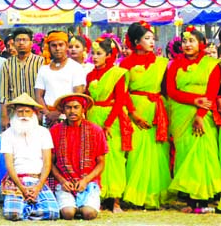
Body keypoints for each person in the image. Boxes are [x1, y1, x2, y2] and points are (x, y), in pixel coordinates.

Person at [165, 26, 221, 212]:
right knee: (185, 154)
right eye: (185, 41)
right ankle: (189, 200)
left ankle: (203, 199)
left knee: (203, 156)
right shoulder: (174, 65)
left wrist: (200, 115)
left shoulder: (211, 64)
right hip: (181, 114)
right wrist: (193, 99)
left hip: (203, 115)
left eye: (192, 41)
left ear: (201, 43)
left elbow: (211, 93)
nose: (187, 44)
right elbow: (172, 91)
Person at [120, 21, 171, 210]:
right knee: (137, 151)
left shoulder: (162, 63)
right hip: (135, 108)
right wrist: (133, 115)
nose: (152, 42)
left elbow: (166, 89)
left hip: (157, 110)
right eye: (147, 38)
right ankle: (136, 196)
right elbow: (122, 91)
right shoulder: (125, 63)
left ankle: (155, 195)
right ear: (136, 41)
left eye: (153, 38)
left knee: (158, 152)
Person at [85, 37, 133, 213]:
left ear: (108, 55)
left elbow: (120, 100)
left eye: (99, 54)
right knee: (95, 156)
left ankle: (116, 200)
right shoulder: (90, 75)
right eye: (93, 53)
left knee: (113, 158)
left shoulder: (117, 74)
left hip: (111, 118)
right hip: (92, 117)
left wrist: (108, 123)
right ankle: (101, 196)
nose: (95, 57)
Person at [0, 93, 59, 221]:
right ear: (14, 113)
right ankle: (26, 207)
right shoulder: (7, 134)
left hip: (38, 180)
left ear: (34, 113)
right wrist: (23, 188)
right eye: (20, 112)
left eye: (27, 111)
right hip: (17, 181)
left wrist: (37, 188)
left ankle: (26, 209)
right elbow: (9, 165)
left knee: (53, 213)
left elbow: (47, 163)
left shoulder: (44, 133)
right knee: (12, 214)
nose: (24, 115)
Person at [50, 93, 107, 221]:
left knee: (89, 214)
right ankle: (73, 205)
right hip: (65, 182)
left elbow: (101, 163)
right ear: (63, 110)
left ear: (83, 109)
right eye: (68, 107)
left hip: (88, 182)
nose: (72, 111)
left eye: (76, 107)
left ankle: (83, 205)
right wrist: (62, 181)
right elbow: (50, 162)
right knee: (68, 213)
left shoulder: (96, 130)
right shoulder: (55, 131)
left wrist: (86, 181)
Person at [35, 31, 87, 126]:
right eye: (54, 45)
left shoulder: (76, 67)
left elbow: (77, 94)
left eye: (61, 45)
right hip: (48, 118)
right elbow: (38, 95)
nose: (57, 48)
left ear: (66, 46)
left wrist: (58, 112)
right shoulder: (43, 69)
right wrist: (48, 114)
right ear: (49, 48)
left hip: (69, 117)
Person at [0, 27, 44, 130]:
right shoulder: (7, 64)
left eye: (25, 40)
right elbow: (3, 94)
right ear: (14, 43)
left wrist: (42, 112)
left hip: (35, 112)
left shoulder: (41, 62)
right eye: (18, 40)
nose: (21, 43)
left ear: (31, 43)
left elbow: (45, 92)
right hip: (15, 113)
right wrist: (4, 116)